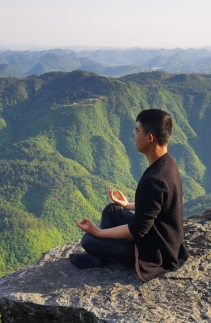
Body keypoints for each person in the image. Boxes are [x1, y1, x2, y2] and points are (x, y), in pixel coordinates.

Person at [71, 109, 189, 282]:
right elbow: (158, 205)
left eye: (137, 131)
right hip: (165, 241)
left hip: (154, 254)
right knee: (112, 209)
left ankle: (99, 255)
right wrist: (128, 205)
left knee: (89, 241)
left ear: (149, 138)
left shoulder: (155, 179)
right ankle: (101, 254)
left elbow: (138, 229)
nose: (134, 135)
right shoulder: (167, 164)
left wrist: (99, 232)